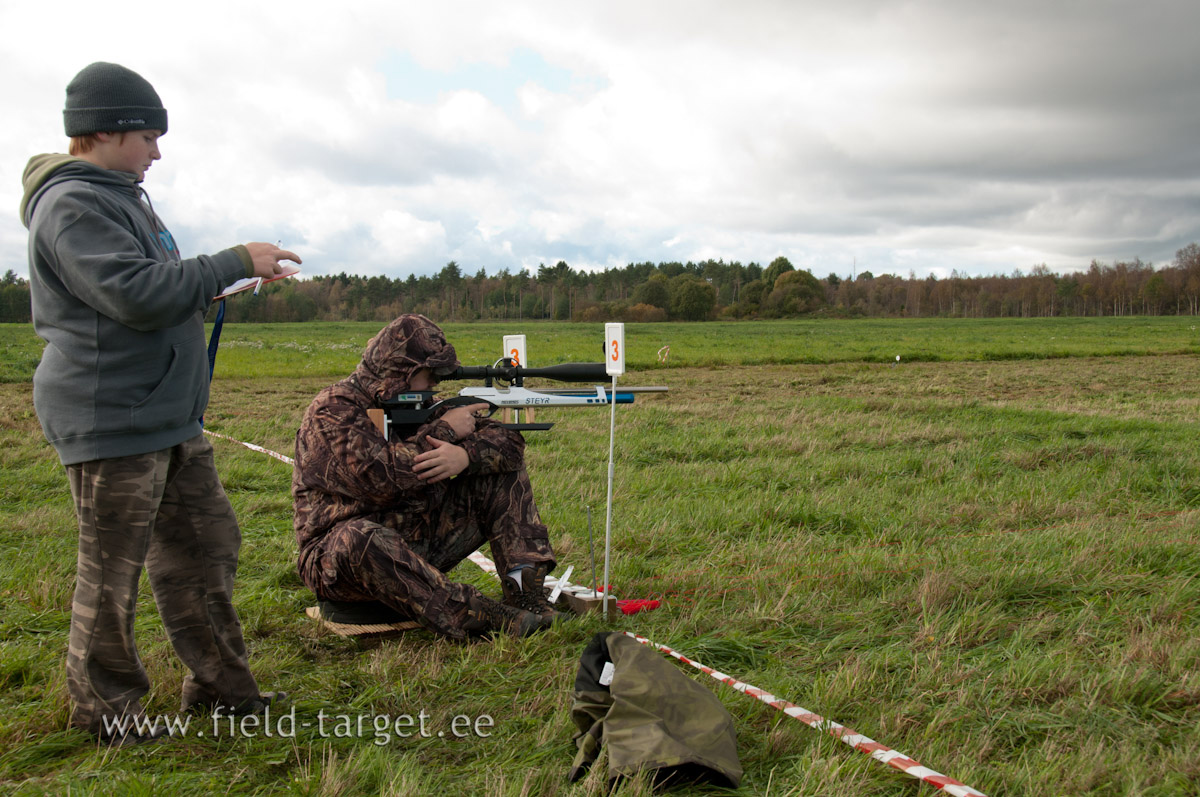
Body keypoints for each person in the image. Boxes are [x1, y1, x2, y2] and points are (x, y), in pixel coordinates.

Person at [20, 62, 298, 744]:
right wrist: (234, 259)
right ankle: (106, 716)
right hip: (112, 422)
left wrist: (206, 290)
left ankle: (221, 688)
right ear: (106, 131)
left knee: (208, 548)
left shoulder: (122, 196)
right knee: (111, 578)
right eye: (148, 136)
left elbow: (153, 287)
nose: (157, 152)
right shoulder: (72, 204)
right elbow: (135, 294)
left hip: (168, 417)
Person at [292, 314, 566, 640]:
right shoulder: (333, 410)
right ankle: (480, 614)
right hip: (342, 564)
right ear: (402, 373)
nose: (435, 382)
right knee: (358, 538)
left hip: (419, 542)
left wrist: (464, 457)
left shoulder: (420, 404)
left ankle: (527, 596)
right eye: (428, 374)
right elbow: (377, 480)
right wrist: (445, 431)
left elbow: (510, 447)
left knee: (498, 471)